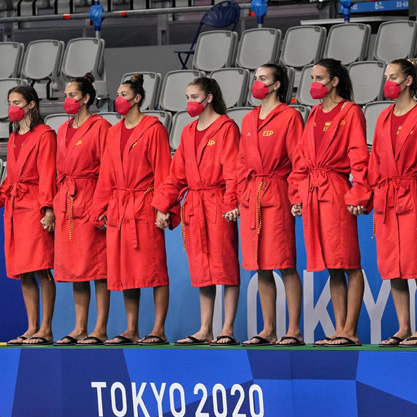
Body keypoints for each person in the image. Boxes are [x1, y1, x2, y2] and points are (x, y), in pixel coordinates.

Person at [152, 77, 241, 346]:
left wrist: (231, 202)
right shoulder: (188, 131)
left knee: (225, 266)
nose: (190, 103)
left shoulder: (226, 127)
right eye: (188, 97)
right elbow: (175, 175)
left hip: (217, 201)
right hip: (195, 205)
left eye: (195, 97)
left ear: (210, 97)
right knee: (202, 268)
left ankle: (227, 328)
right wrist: (162, 205)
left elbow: (233, 170)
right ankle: (205, 329)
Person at [91, 73, 176, 345]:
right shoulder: (113, 132)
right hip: (119, 208)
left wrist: (163, 208)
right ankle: (131, 329)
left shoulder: (154, 129)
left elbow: (164, 172)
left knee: (154, 269)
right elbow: (106, 175)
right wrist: (100, 208)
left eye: (124, 96)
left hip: (144, 206)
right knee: (127, 271)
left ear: (138, 98)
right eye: (117, 95)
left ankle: (158, 328)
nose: (119, 100)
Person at [289, 59, 368, 347]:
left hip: (335, 189)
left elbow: (359, 154)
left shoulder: (351, 112)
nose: (313, 83)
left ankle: (351, 329)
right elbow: (300, 158)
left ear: (334, 81)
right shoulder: (312, 114)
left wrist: (358, 193)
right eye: (311, 77)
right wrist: (296, 195)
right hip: (311, 190)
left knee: (348, 261)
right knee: (331, 264)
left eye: (319, 77)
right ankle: (338, 329)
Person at [361, 59, 417, 348]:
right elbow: (376, 160)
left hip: (413, 195)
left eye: (394, 76)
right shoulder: (383, 117)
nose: (388, 81)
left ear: (408, 80)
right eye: (386, 76)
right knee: (393, 266)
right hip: (387, 198)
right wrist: (367, 195)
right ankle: (404, 327)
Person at [238, 64, 304, 347]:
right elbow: (240, 163)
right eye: (256, 79)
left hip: (278, 192)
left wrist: (297, 196)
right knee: (260, 266)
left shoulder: (289, 116)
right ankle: (268, 329)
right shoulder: (249, 119)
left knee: (285, 263)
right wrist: (240, 195)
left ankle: (294, 330)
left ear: (277, 85)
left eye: (263, 79)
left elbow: (299, 159)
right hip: (252, 196)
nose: (258, 83)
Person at [53, 73, 112, 345]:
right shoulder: (62, 130)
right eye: (65, 95)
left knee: (97, 267)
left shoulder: (100, 127)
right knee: (77, 268)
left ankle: (99, 328)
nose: (68, 100)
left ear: (86, 98)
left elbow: (108, 170)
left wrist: (103, 206)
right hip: (67, 201)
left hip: (91, 198)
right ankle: (79, 327)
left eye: (73, 95)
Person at [1, 86, 57, 346]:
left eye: (17, 102)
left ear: (31, 105)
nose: (13, 106)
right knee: (24, 270)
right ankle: (31, 326)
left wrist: (48, 208)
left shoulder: (45, 135)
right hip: (16, 208)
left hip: (35, 205)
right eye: (10, 102)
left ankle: (46, 328)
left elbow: (48, 173)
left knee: (42, 267)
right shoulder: (13, 137)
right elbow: (11, 175)